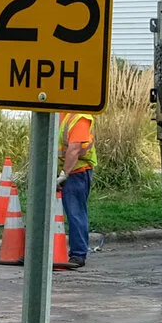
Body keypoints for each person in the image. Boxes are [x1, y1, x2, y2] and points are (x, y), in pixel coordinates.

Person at [57, 110, 95, 269]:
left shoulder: (81, 116)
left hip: (76, 172)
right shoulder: (56, 113)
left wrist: (64, 175)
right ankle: (39, 250)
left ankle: (78, 254)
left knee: (75, 213)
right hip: (60, 171)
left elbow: (74, 149)